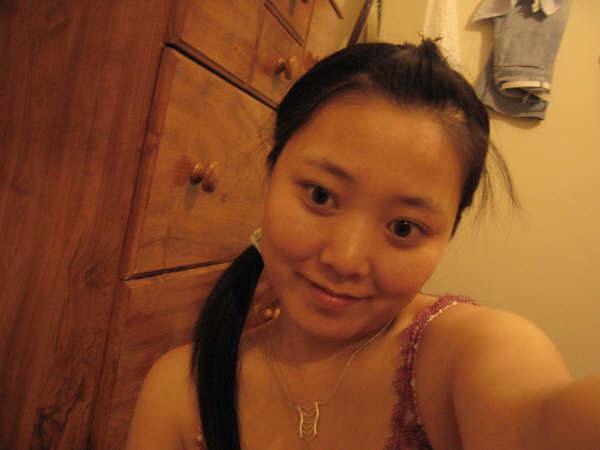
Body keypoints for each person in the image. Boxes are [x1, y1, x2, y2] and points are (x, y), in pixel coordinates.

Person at [125, 40, 599, 449]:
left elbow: (539, 421)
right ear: (271, 174)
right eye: (320, 196)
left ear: (447, 234)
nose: (346, 259)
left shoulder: (461, 354)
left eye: (403, 228)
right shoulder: (179, 392)